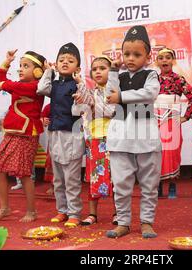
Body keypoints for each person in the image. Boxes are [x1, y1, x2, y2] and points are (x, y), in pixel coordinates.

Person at [104, 25, 162, 238]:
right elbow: (110, 95)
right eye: (126, 54)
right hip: (120, 138)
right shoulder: (117, 75)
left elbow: (150, 94)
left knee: (149, 184)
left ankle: (147, 222)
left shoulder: (151, 75)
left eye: (137, 54)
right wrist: (112, 71)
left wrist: (122, 97)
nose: (130, 58)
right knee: (120, 184)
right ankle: (123, 222)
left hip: (146, 138)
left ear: (148, 56)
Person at [0, 49, 45, 223]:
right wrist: (7, 62)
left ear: (37, 72)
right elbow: (0, 80)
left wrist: (2, 85)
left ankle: (31, 211)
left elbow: (6, 84)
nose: (20, 69)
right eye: (20, 66)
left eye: (25, 66)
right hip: (12, 133)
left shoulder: (35, 87)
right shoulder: (19, 85)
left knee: (25, 173)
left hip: (26, 134)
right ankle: (4, 208)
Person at [37, 43, 85, 228]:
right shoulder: (55, 85)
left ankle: (74, 213)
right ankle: (62, 210)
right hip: (55, 133)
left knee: (71, 178)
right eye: (61, 60)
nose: (65, 62)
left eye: (70, 60)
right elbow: (41, 89)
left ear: (78, 67)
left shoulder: (78, 85)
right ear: (56, 64)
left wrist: (80, 86)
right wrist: (48, 72)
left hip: (72, 134)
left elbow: (80, 109)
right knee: (58, 179)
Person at [72, 56, 118, 226]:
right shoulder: (93, 92)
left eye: (102, 68)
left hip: (112, 139)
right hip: (93, 140)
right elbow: (86, 104)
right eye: (94, 68)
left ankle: (117, 213)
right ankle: (92, 214)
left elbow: (108, 111)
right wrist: (80, 88)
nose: (98, 71)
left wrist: (90, 102)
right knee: (92, 177)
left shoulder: (114, 91)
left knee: (115, 178)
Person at [154, 48, 192, 199]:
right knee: (157, 152)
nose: (164, 60)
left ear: (173, 61)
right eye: (161, 58)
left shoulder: (179, 79)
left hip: (172, 120)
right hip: (156, 119)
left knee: (172, 152)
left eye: (167, 57)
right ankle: (157, 185)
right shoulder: (153, 80)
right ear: (156, 62)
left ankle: (172, 184)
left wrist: (186, 116)